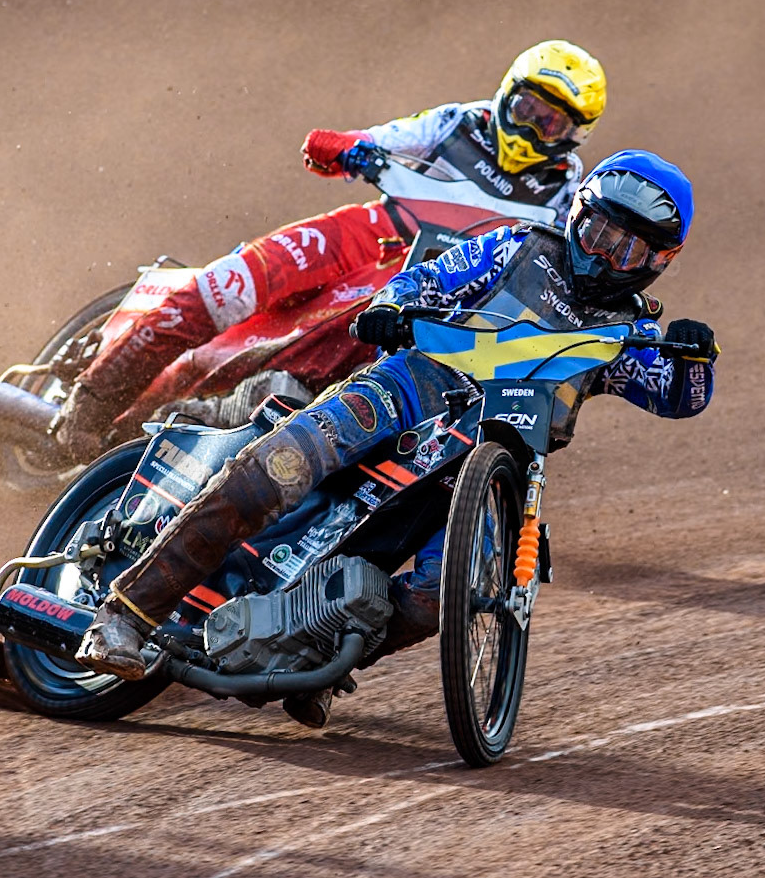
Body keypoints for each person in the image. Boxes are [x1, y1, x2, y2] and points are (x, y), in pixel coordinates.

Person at [75, 148, 718, 727]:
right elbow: (431, 278)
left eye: (626, 249)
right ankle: (125, 614)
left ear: (658, 263)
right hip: (413, 386)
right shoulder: (518, 247)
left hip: (505, 461)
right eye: (597, 231)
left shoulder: (633, 335)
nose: (603, 254)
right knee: (281, 466)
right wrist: (395, 304)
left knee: (443, 597)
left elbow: (681, 398)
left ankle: (323, 655)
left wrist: (695, 359)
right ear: (577, 216)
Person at [0, 41, 609, 468]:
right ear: (504, 93)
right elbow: (364, 138)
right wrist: (347, 147)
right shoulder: (456, 123)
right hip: (365, 233)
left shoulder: (566, 196)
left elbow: (564, 272)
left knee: (314, 372)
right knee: (224, 287)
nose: (530, 128)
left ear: (573, 133)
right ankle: (84, 407)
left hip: (419, 287)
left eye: (552, 122)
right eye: (525, 107)